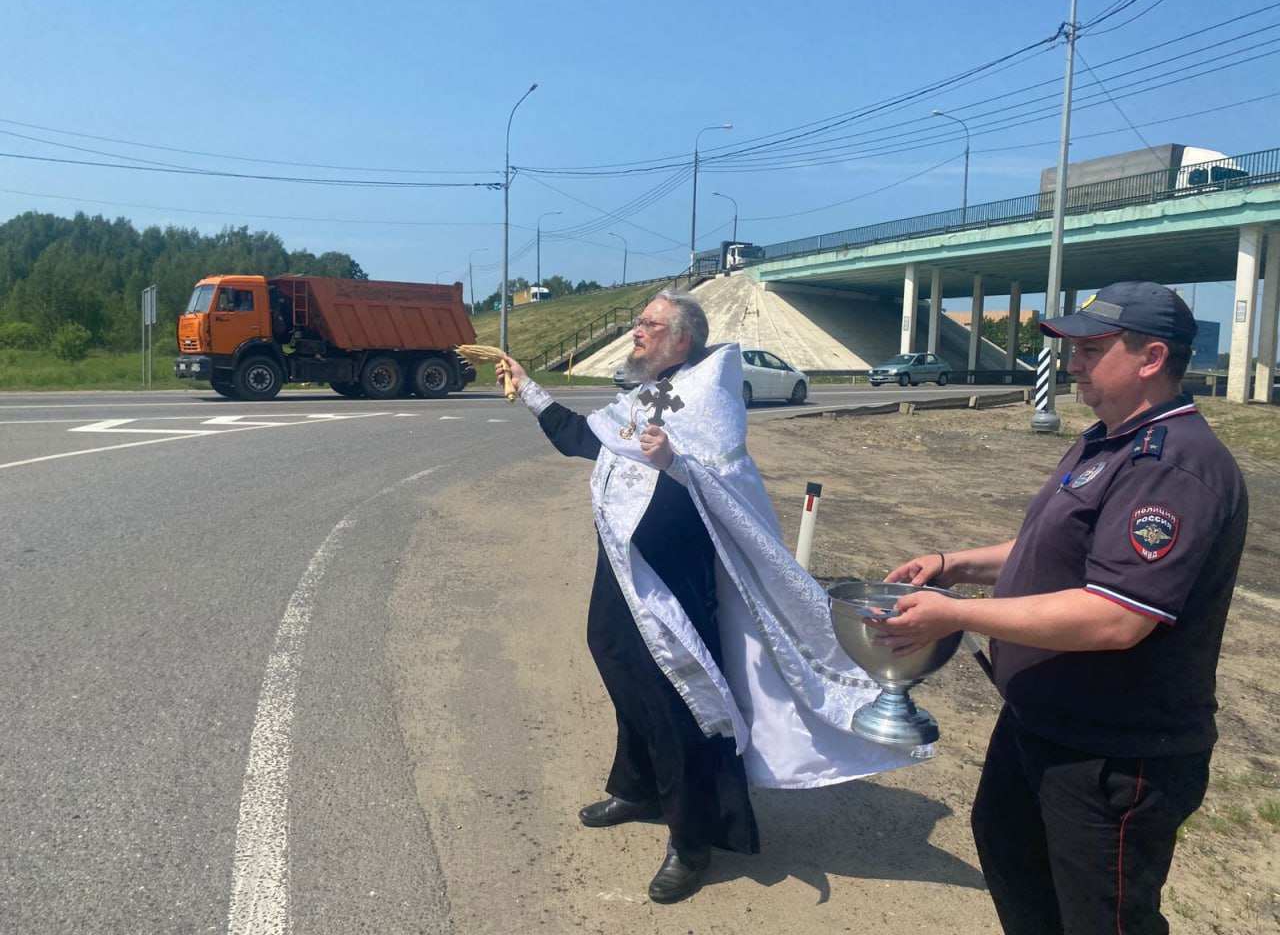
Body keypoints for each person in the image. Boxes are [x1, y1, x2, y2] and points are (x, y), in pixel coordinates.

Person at [498, 290, 914, 904]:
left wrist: (676, 464)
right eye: (639, 322)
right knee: (616, 659)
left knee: (677, 696)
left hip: (676, 578)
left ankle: (692, 841)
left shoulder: (709, 396)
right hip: (625, 564)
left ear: (681, 338)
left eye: (649, 323)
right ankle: (638, 786)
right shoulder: (645, 392)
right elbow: (588, 439)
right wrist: (529, 387)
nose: (636, 331)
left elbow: (723, 483)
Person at [879, 281, 1248, 934]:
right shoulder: (1108, 439)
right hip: (1043, 725)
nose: (1073, 363)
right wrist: (954, 564)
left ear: (1152, 358)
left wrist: (956, 614)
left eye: (1092, 349)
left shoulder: (1173, 465)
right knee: (1018, 872)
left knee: (1098, 918)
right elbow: (1052, 550)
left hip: (1112, 753)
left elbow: (1117, 616)